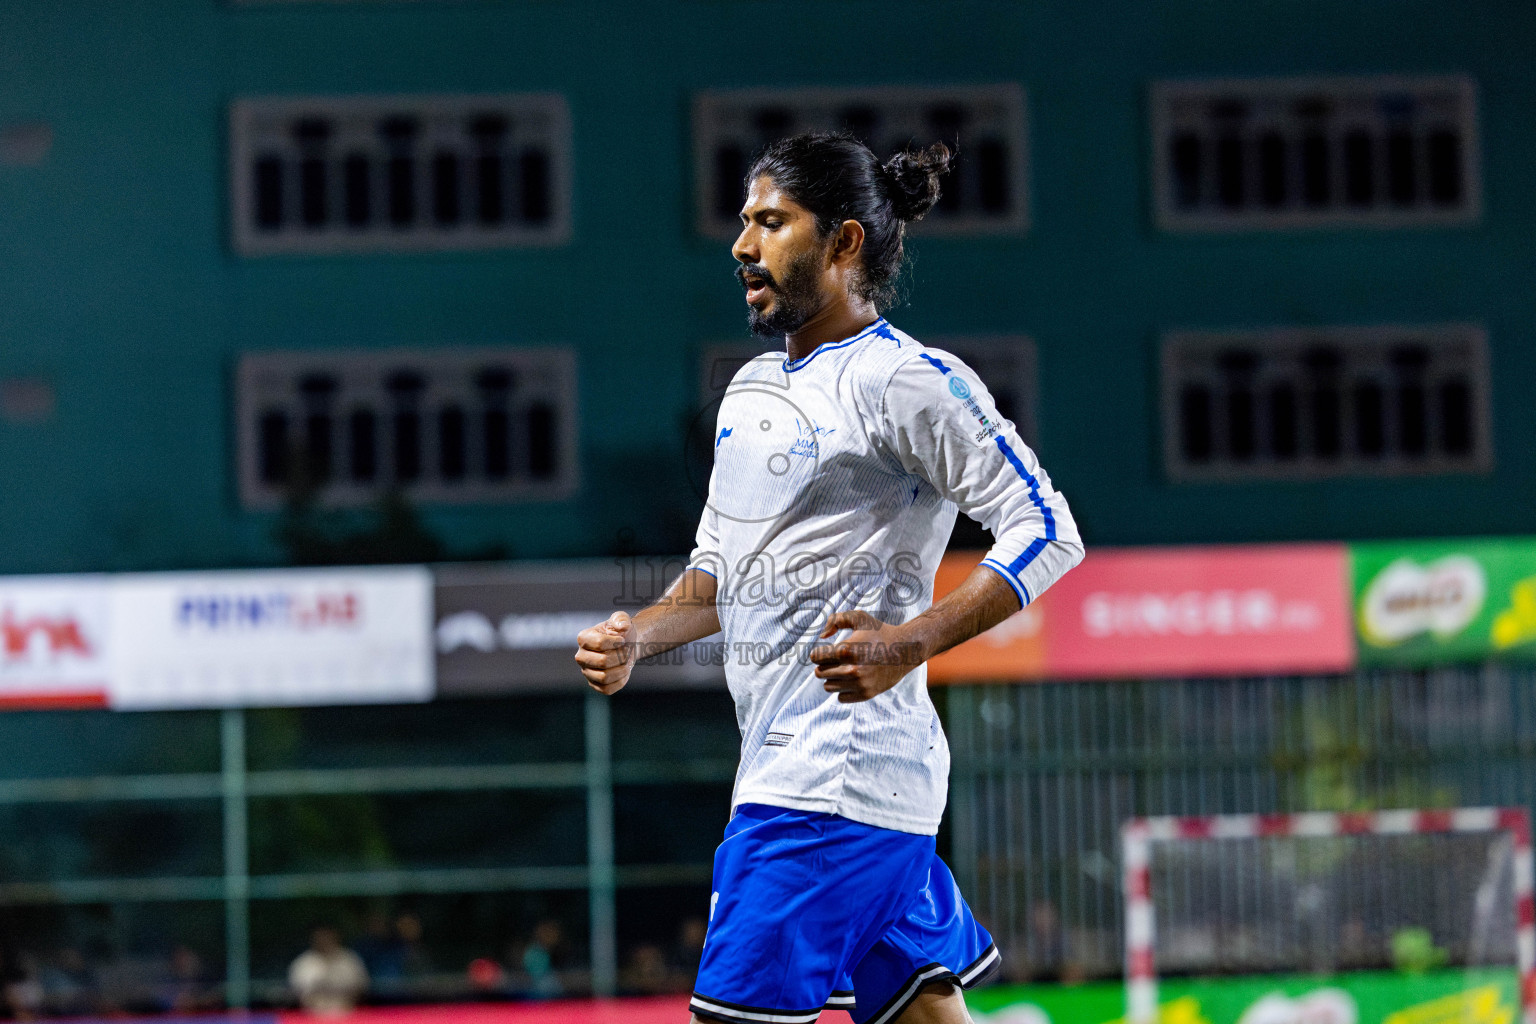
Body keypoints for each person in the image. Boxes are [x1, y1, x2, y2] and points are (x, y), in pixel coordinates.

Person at [575, 131, 1083, 1024]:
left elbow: (1048, 529)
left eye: (772, 222)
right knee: (924, 1012)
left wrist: (908, 643)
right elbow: (720, 572)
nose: (742, 246)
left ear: (843, 243)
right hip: (836, 791)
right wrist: (638, 637)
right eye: (744, 223)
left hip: (821, 796)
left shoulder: (909, 381)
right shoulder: (749, 392)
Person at [288, 925, 368, 1017]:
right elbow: (299, 994)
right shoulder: (303, 963)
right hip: (312, 1016)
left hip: (349, 1014)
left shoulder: (350, 959)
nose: (324, 939)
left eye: (327, 936)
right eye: (320, 936)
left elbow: (360, 988)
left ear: (335, 937)